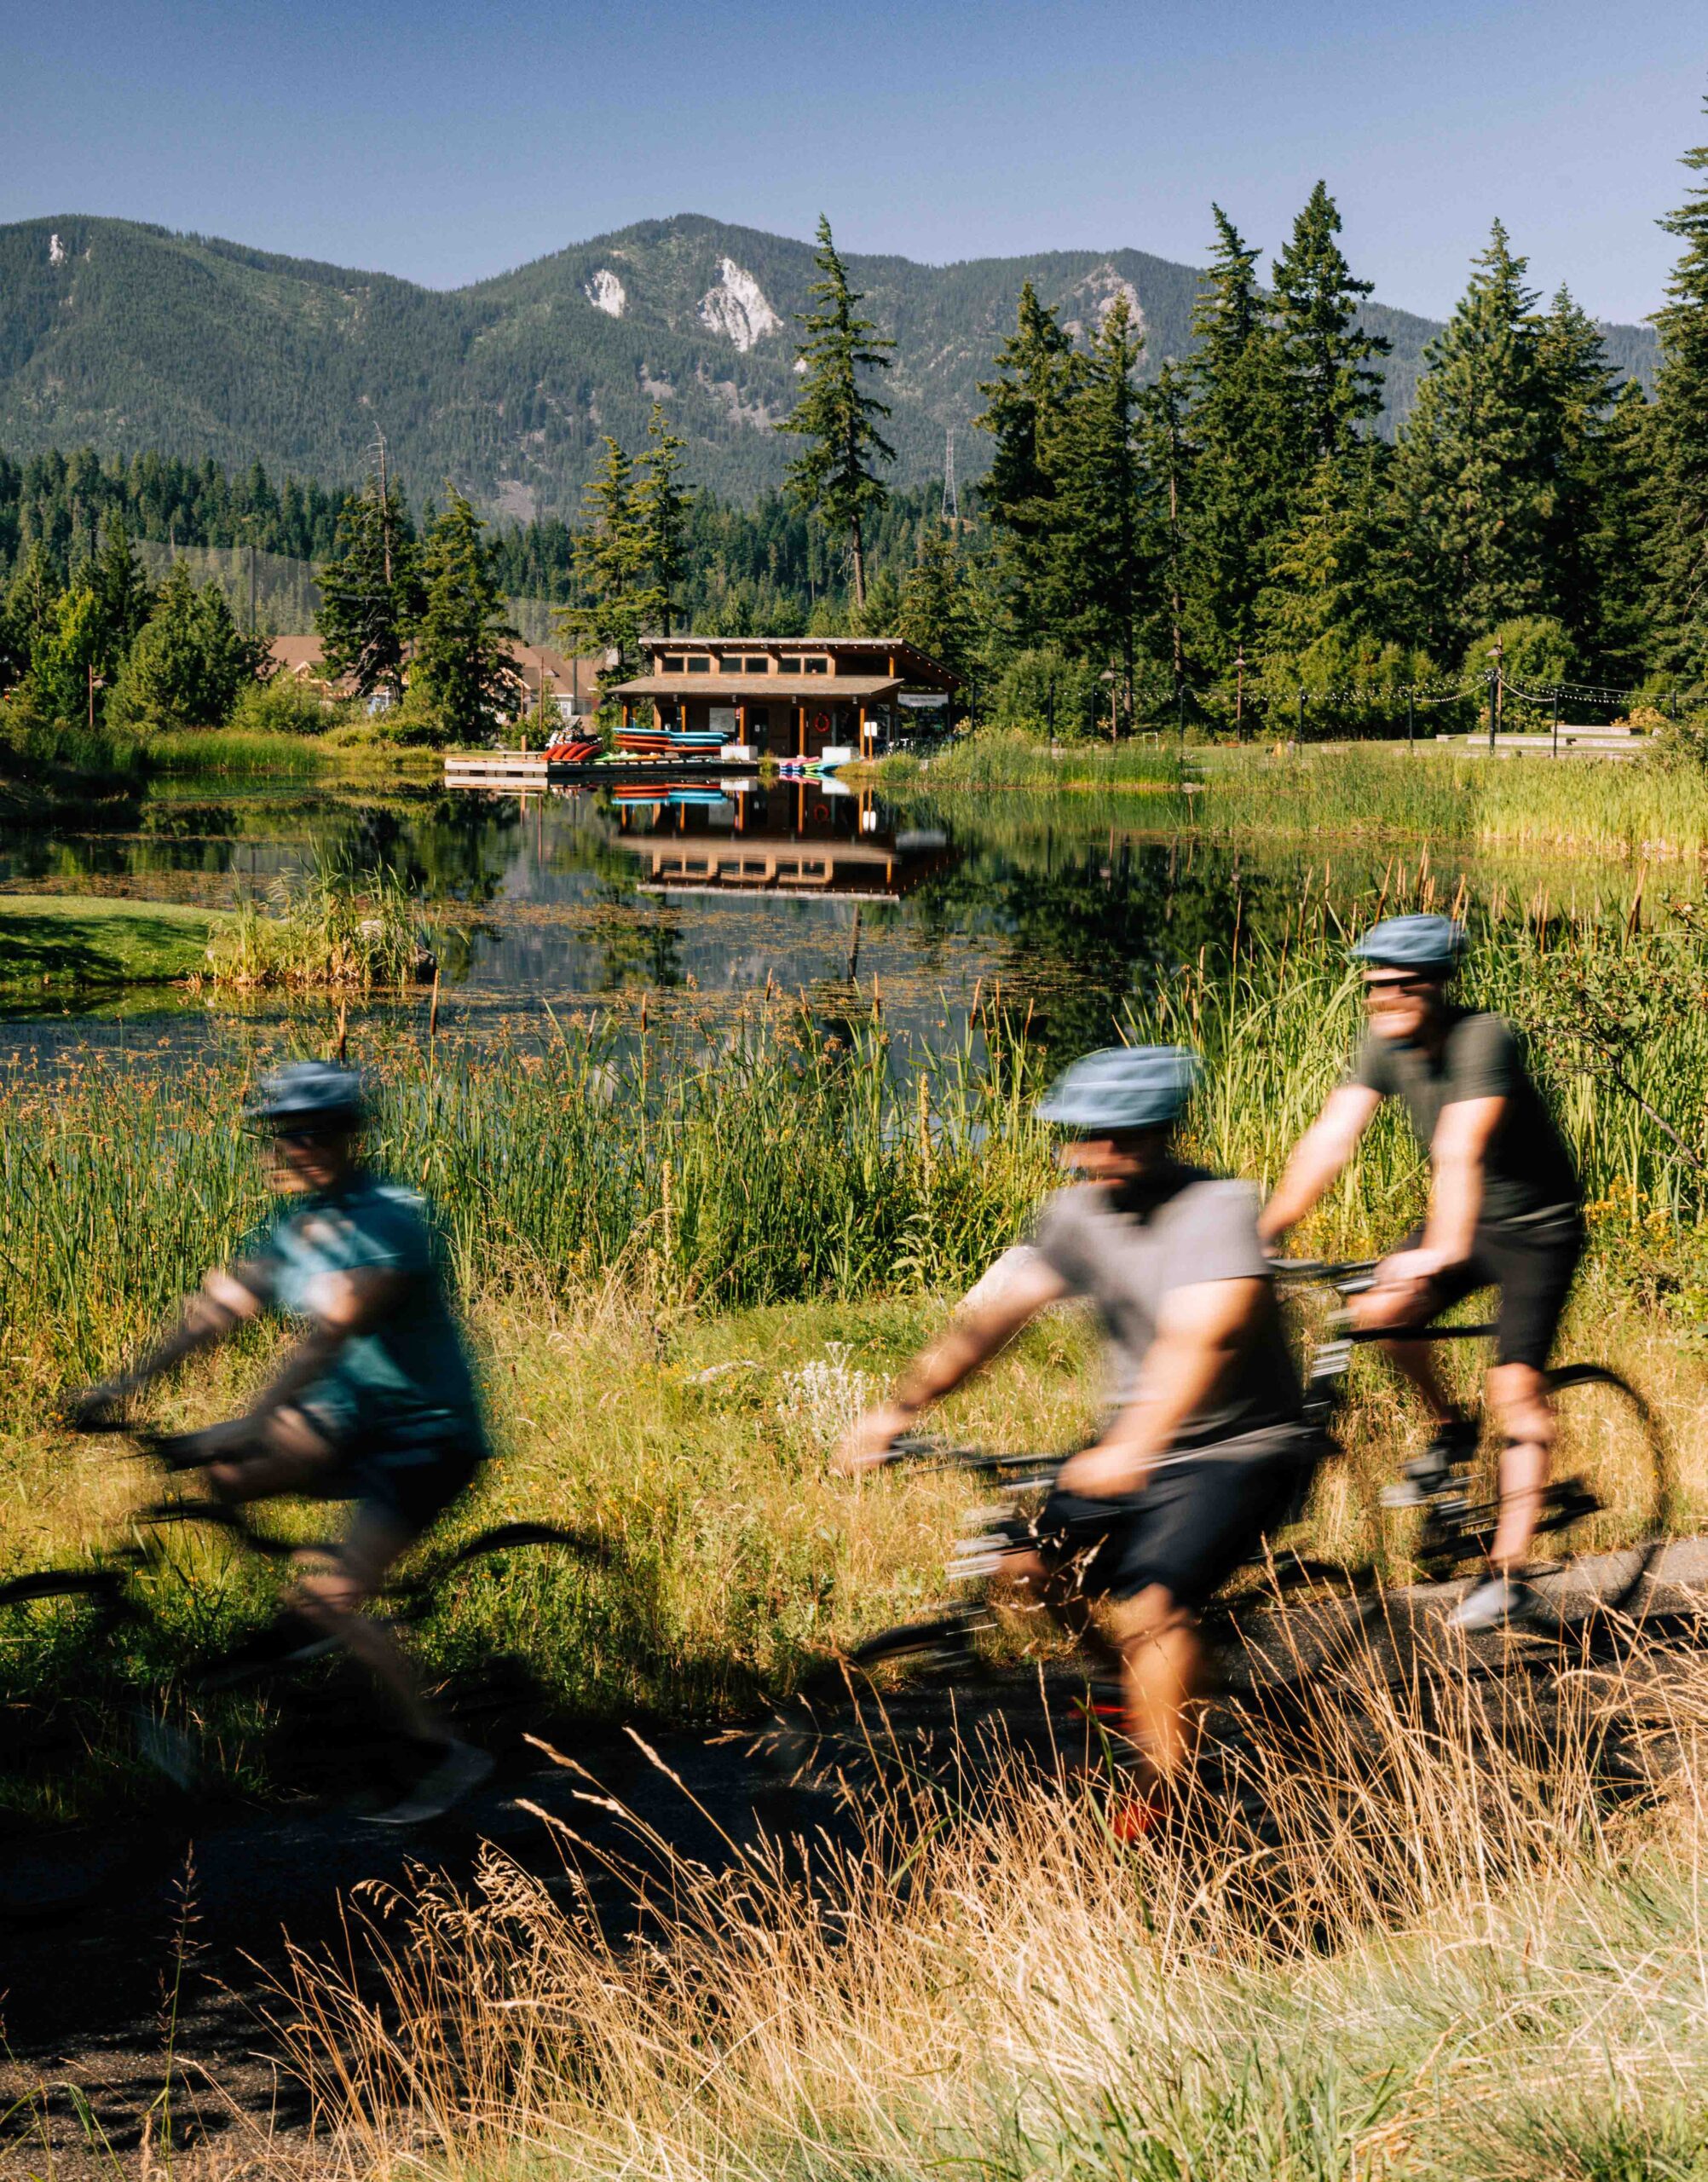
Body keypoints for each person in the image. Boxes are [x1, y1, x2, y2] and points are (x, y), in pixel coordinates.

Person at [837, 1044, 1312, 1824]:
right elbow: (991, 1324)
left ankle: (1169, 1799)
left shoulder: (1218, 1209)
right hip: (1131, 1445)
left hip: (1240, 1448)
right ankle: (1149, 1690)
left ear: (1162, 1132)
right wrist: (901, 1408)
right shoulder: (1077, 1215)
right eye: (1087, 1133)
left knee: (1154, 1607)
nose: (1098, 1152)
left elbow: (1206, 1338)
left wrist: (1135, 1443)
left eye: (1120, 1135)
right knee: (1021, 1565)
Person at [68, 1059, 494, 1824]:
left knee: (328, 1597)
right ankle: (308, 1640)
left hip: (424, 1436)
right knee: (223, 1479)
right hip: (352, 1418)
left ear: (346, 1138)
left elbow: (328, 1336)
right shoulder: (301, 1224)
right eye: (281, 1133)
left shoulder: (386, 1221)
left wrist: (253, 1418)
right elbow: (220, 1309)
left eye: (309, 1133)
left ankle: (442, 1751)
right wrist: (122, 1388)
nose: (291, 1147)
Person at [1258, 914, 1584, 1631]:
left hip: (1536, 1230)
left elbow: (1459, 1149)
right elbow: (1329, 1139)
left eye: (1402, 985)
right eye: (1375, 986)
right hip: (1462, 1223)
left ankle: (1508, 1573)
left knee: (1517, 1390)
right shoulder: (1383, 1042)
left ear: (1438, 985)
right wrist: (1265, 1231)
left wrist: (1436, 1250)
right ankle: (1450, 1428)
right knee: (1380, 1313)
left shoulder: (1483, 1037)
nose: (1385, 998)